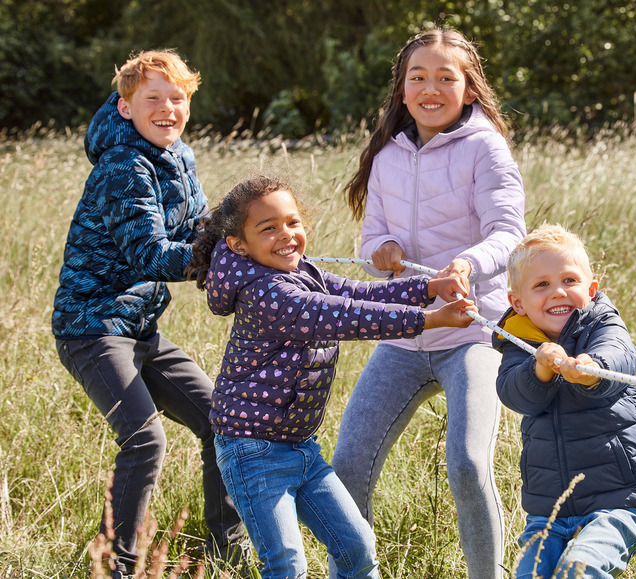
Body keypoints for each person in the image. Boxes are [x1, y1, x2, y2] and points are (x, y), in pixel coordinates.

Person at [187, 176, 479, 579]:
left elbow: (359, 295)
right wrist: (430, 320)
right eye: (268, 228)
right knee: (286, 563)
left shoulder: (301, 272)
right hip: (251, 453)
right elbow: (348, 316)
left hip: (302, 449)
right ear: (239, 245)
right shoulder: (266, 293)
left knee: (357, 546)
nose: (286, 235)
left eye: (292, 222)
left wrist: (428, 287)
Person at [331, 28, 526, 578]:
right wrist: (383, 251)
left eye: (446, 77)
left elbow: (509, 232)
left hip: (472, 333)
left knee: (466, 464)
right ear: (402, 89)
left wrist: (466, 264)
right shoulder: (387, 155)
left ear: (468, 90)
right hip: (403, 333)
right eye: (418, 77)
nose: (431, 88)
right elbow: (369, 244)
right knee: (346, 467)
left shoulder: (485, 146)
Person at [52, 50, 247, 578]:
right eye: (152, 99)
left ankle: (226, 551)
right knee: (144, 438)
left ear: (188, 105)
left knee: (221, 421)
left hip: (139, 328)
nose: (167, 108)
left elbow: (197, 230)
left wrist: (243, 239)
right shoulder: (123, 165)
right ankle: (117, 567)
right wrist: (227, 256)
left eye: (176, 98)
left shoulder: (178, 156)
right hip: (91, 327)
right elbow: (150, 254)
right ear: (125, 108)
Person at [493, 223, 636, 578]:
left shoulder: (602, 324)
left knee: (578, 569)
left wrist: (590, 369)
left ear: (591, 288)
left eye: (570, 280)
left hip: (616, 499)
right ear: (517, 303)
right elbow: (512, 392)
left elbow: (620, 357)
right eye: (542, 285)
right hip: (548, 507)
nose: (558, 292)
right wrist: (539, 368)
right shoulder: (517, 341)